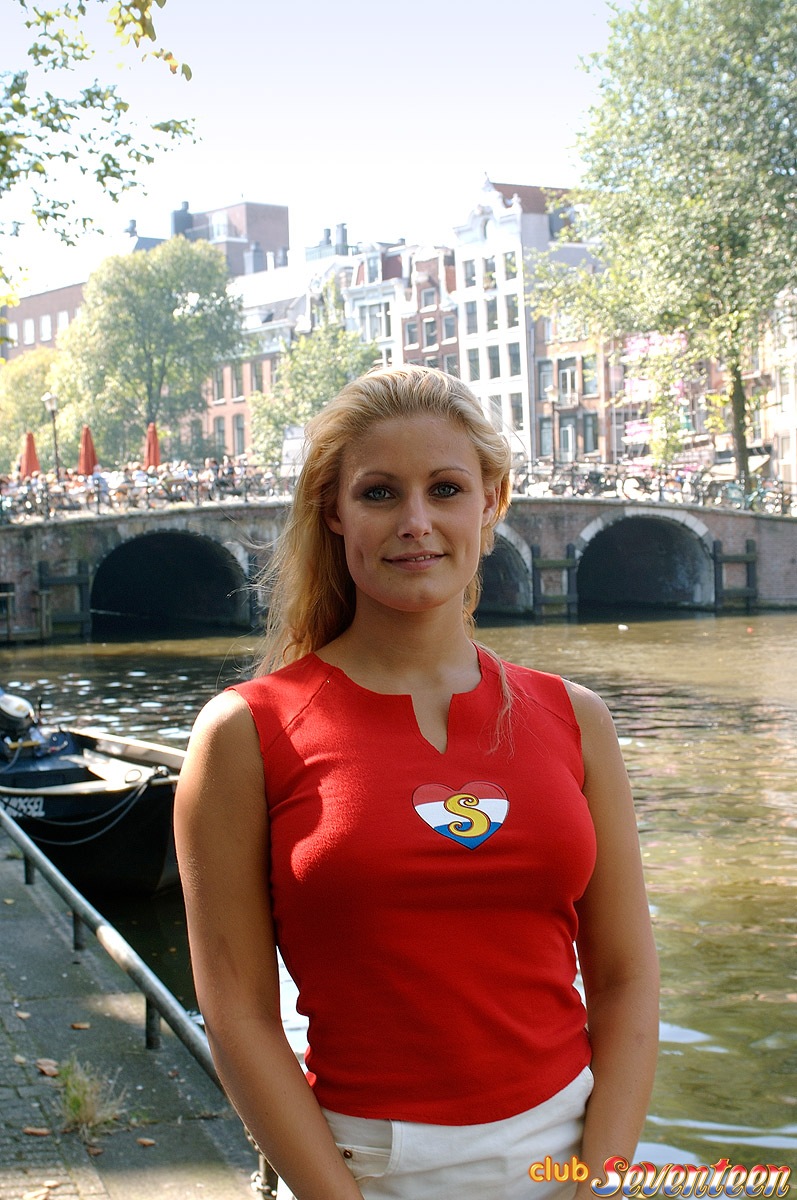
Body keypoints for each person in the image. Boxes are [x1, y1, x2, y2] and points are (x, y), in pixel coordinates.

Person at [174, 365, 659, 1200]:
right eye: (378, 493)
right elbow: (239, 1012)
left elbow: (623, 977)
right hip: (362, 1168)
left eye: (444, 489)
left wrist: (599, 1181)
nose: (415, 523)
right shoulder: (247, 733)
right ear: (332, 511)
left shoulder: (575, 720)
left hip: (568, 1155)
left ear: (490, 502)